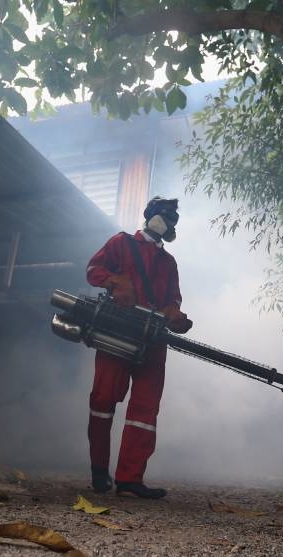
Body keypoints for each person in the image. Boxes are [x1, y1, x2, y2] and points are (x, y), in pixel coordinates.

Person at [83, 197, 193, 499]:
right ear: (150, 215)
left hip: (153, 340)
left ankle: (130, 479)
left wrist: (174, 313)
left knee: (144, 410)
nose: (167, 219)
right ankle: (99, 472)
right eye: (163, 214)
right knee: (103, 401)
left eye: (173, 216)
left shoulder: (169, 262)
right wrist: (115, 280)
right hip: (117, 333)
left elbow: (174, 297)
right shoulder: (121, 243)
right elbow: (93, 270)